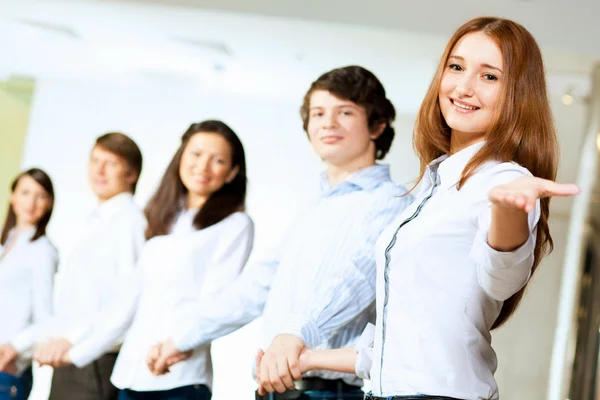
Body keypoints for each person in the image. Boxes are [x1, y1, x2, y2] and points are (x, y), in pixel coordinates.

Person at [269, 17, 581, 400]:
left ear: (517, 93)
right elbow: (403, 343)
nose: (464, 87)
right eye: (456, 67)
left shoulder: (503, 182)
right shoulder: (431, 188)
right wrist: (307, 358)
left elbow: (502, 279)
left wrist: (508, 210)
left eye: (489, 76)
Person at [148, 66, 414, 400]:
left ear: (376, 125)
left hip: (328, 392)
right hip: (275, 389)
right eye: (318, 113)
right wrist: (184, 338)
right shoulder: (313, 209)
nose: (328, 123)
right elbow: (257, 285)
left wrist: (294, 334)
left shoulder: (390, 202)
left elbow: (353, 280)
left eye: (344, 112)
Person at [47, 120, 254, 400]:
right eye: (195, 154)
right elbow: (127, 302)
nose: (202, 166)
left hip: (179, 378)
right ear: (181, 157)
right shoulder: (161, 220)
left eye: (217, 160)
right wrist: (75, 352)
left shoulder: (235, 225)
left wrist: (178, 343)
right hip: (130, 378)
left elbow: (217, 303)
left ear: (231, 173)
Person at [18, 133, 146, 400]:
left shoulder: (131, 223)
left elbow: (126, 301)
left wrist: (72, 339)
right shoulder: (93, 223)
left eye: (110, 163)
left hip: (95, 362)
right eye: (95, 160)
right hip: (69, 358)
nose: (99, 170)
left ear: (131, 173)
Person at [0, 168, 57, 400]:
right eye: (25, 192)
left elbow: (46, 318)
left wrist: (15, 347)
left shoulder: (42, 250)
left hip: (7, 370)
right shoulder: (8, 241)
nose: (31, 202)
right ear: (13, 197)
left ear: (49, 204)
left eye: (41, 195)